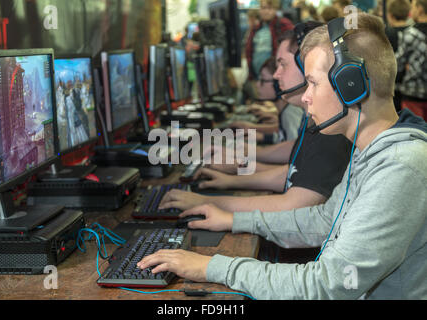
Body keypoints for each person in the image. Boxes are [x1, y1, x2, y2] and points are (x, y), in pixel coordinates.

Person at [138, 13, 427, 299]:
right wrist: (235, 221)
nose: (305, 96)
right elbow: (324, 220)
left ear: (351, 85)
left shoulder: (399, 167)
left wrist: (213, 267)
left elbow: (327, 284)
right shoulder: (373, 150)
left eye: (313, 82)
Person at [159, 21, 352, 216]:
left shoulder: (332, 128)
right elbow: (295, 173)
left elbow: (295, 204)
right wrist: (235, 176)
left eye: (282, 64)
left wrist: (208, 202)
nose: (277, 74)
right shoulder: (321, 122)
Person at [245, 0, 294, 81]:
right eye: (263, 8)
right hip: (257, 76)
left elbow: (292, 48)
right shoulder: (256, 28)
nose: (266, 11)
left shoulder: (283, 24)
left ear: (275, 9)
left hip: (276, 75)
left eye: (269, 8)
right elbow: (249, 51)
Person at [395, 0, 427, 120]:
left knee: (416, 131)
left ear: (420, 9)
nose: (410, 11)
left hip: (413, 93)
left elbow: (398, 65)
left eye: (413, 7)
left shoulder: (410, 34)